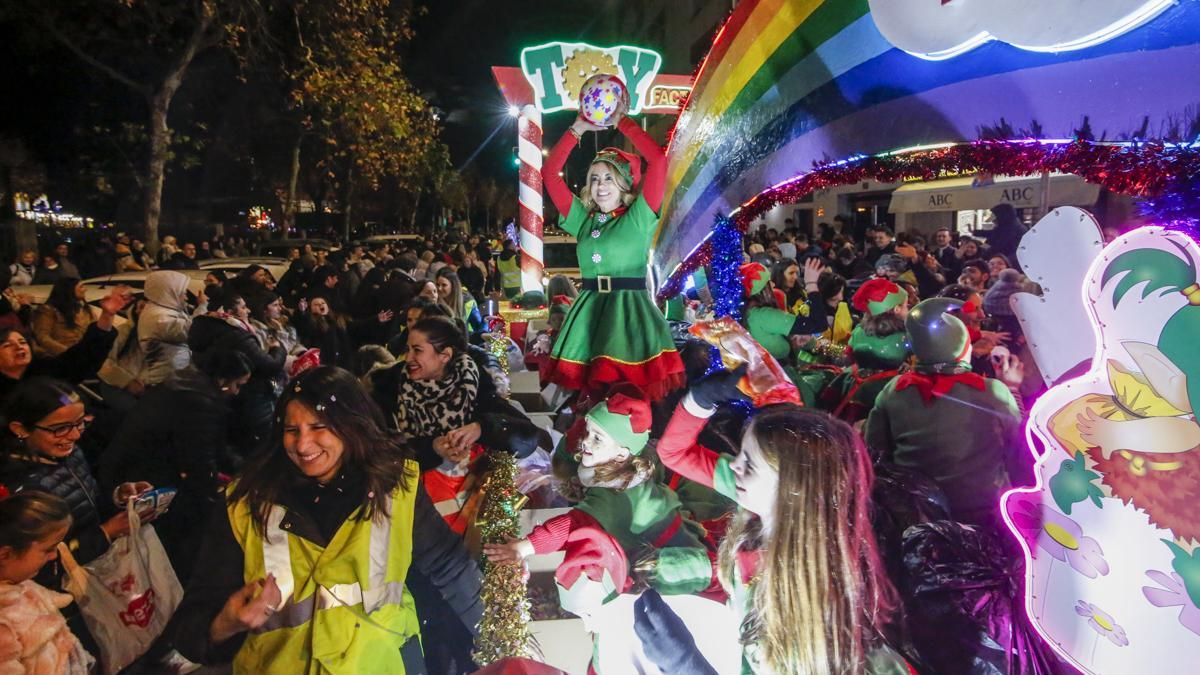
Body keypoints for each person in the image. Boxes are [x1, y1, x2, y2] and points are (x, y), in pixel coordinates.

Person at [170, 367, 482, 673]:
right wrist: (226, 622)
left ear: (353, 426)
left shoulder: (396, 490)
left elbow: (450, 566)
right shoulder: (245, 505)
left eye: (319, 427)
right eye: (292, 431)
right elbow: (189, 630)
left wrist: (494, 637)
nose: (303, 445)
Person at [648, 371, 908, 674]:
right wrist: (700, 401)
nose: (734, 465)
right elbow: (674, 452)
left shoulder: (813, 603)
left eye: (750, 464)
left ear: (794, 486)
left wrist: (686, 666)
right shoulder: (766, 497)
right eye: (740, 454)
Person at [484, 386, 715, 598]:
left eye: (597, 438)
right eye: (588, 433)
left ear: (621, 454)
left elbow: (571, 525)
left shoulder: (613, 493)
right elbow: (570, 453)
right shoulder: (631, 459)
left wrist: (524, 547)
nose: (586, 442)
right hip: (664, 536)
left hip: (670, 559)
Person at [539, 112, 685, 400]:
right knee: (591, 400)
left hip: (628, 313)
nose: (600, 185)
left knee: (627, 396)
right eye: (594, 178)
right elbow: (549, 173)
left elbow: (658, 161)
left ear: (624, 183)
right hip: (589, 311)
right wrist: (577, 129)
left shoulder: (639, 216)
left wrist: (622, 122)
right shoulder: (583, 219)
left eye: (609, 177)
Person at [865, 298, 1026, 529]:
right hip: (985, 517)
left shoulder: (894, 391)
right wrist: (1012, 390)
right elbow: (1019, 455)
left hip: (915, 518)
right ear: (963, 349)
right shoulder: (993, 392)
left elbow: (876, 456)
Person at [100, 351, 252, 582]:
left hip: (138, 466)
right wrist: (214, 495)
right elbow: (200, 462)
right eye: (237, 385)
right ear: (223, 380)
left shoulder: (184, 385)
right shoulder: (200, 404)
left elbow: (214, 448)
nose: (237, 392)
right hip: (147, 478)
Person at [0, 490, 95, 674]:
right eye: (48, 549)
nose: (54, 556)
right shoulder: (4, 625)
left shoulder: (21, 583)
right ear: (5, 554)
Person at [189, 289, 286, 456]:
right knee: (261, 447)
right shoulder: (236, 335)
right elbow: (270, 365)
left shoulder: (207, 328)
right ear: (228, 312)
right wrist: (278, 349)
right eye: (242, 307)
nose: (247, 311)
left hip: (229, 399)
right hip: (252, 398)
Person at [740, 259, 828, 362]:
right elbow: (818, 324)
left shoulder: (749, 314)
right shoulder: (765, 315)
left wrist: (791, 340)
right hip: (775, 375)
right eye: (768, 282)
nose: (772, 285)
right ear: (762, 291)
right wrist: (811, 284)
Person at [138, 270, 194, 387]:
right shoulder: (158, 317)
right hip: (163, 381)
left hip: (173, 378)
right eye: (182, 292)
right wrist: (203, 309)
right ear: (169, 292)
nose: (186, 297)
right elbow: (189, 332)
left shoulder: (165, 309)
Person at [31, 278, 91, 358]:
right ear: (70, 290)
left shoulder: (85, 309)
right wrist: (68, 352)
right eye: (81, 287)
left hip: (85, 355)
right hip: (60, 357)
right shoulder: (48, 310)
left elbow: (94, 331)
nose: (85, 289)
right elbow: (43, 337)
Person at [435, 268, 484, 336]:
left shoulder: (467, 301)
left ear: (453, 286)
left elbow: (478, 327)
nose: (439, 288)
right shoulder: (433, 300)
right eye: (437, 285)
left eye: (444, 285)